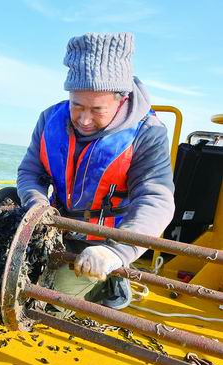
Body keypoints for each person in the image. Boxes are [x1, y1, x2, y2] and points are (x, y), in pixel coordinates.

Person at [17, 32, 175, 314]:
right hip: (56, 224)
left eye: (96, 109)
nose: (85, 119)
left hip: (104, 241)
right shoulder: (49, 118)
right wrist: (37, 204)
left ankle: (109, 282)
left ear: (122, 98)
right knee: (4, 205)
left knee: (45, 304)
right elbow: (31, 171)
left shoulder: (148, 133)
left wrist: (115, 252)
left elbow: (156, 199)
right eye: (77, 106)